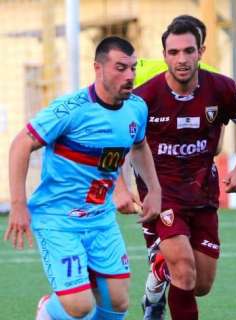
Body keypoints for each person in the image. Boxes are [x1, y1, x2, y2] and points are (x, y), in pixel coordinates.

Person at [4, 36, 162, 320]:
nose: (129, 76)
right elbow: (21, 144)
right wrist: (18, 204)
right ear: (98, 68)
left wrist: (154, 189)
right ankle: (46, 310)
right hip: (58, 219)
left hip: (100, 219)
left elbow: (138, 146)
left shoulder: (136, 108)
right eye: (120, 68)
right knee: (79, 307)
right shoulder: (70, 109)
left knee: (117, 302)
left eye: (132, 68)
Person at [114, 15, 236, 320]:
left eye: (188, 51)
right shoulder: (145, 98)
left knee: (201, 284)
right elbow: (118, 141)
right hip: (160, 192)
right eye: (174, 52)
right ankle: (163, 282)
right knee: (184, 271)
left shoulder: (222, 89)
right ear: (164, 55)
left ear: (201, 52)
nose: (182, 59)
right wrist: (121, 187)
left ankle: (158, 272)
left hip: (203, 190)